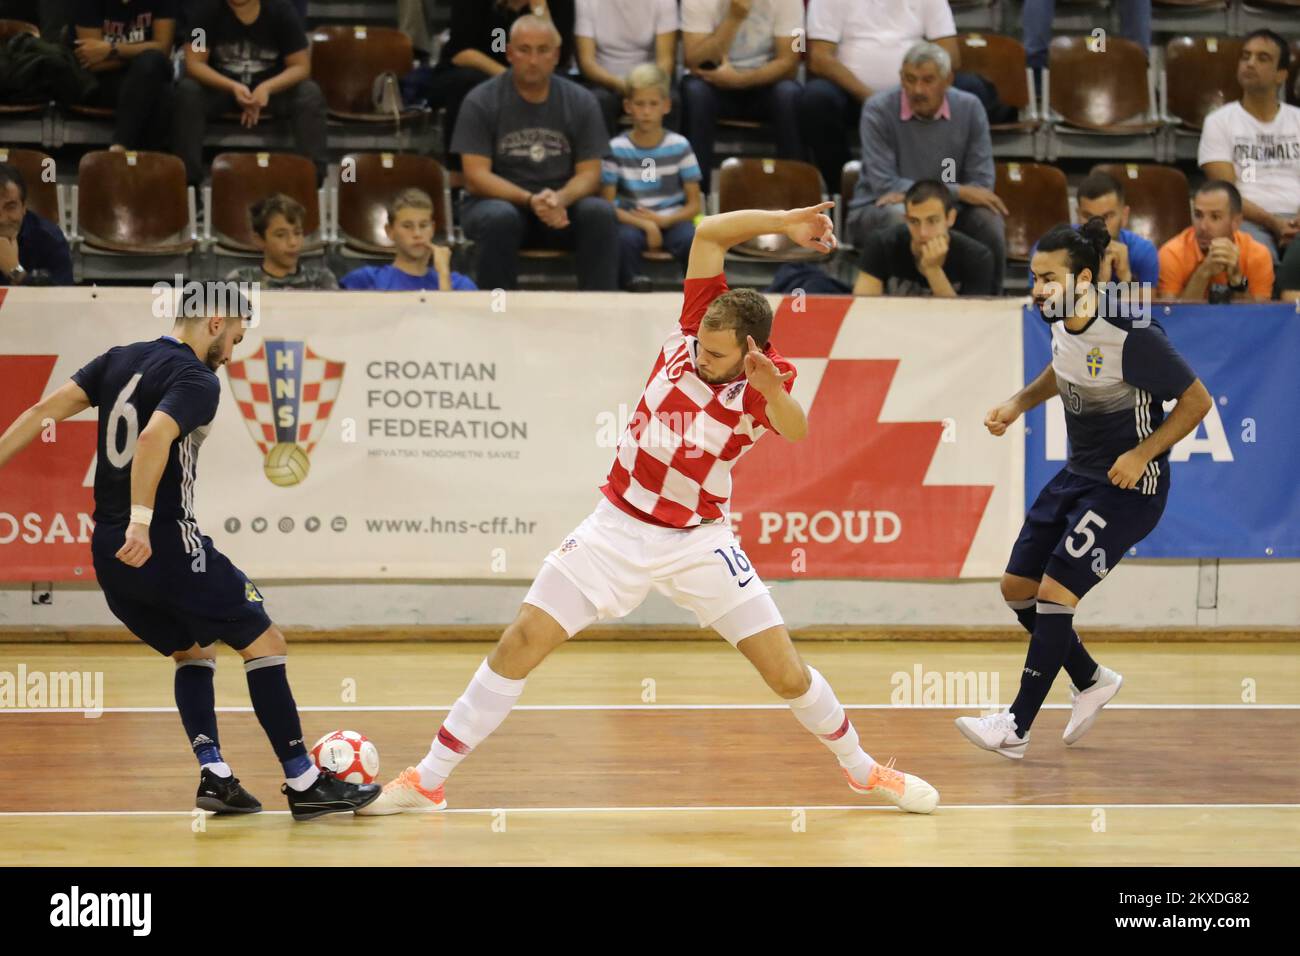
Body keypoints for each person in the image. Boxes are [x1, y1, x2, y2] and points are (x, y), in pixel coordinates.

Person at [356, 201, 939, 817]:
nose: (698, 359)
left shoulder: (766, 383)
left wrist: (771, 390)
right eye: (699, 348)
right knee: (521, 640)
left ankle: (864, 770)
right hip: (616, 529)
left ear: (751, 351)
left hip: (699, 541)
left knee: (786, 674)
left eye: (716, 356)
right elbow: (711, 232)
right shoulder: (693, 329)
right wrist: (787, 221)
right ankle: (428, 780)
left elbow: (796, 429)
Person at [0, 286, 381, 820]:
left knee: (194, 651)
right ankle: (304, 781)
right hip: (163, 540)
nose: (232, 354)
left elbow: (43, 411)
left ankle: (217, 776)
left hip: (108, 551)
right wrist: (142, 521)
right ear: (216, 321)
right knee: (265, 641)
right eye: (235, 340)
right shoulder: (197, 378)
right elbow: (155, 437)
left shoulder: (118, 358)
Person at [958, 218, 1211, 759]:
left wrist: (1142, 453)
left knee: (1054, 595)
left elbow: (1197, 402)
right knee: (1016, 588)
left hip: (1129, 488)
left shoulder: (1133, 333)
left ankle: (1016, 726)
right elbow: (1062, 366)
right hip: (1077, 473)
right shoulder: (1058, 317)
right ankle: (1091, 679)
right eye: (1034, 276)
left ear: (1086, 278)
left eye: (1049, 277)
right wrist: (1016, 403)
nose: (1037, 288)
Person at [453, 14, 618, 291]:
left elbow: (591, 174)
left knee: (599, 212)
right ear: (508, 53)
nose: (533, 60)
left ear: (556, 55)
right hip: (500, 203)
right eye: (524, 49)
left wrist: (561, 198)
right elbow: (475, 176)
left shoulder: (582, 101)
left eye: (542, 50)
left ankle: (602, 310)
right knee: (499, 218)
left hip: (561, 207)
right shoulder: (480, 100)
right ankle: (495, 317)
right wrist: (530, 200)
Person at [847, 41, 1007, 291]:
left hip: (948, 211)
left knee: (989, 222)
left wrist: (947, 202)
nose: (917, 89)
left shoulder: (970, 108)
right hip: (879, 206)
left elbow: (981, 183)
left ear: (948, 80)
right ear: (900, 78)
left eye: (927, 80)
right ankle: (899, 307)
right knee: (899, 218)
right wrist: (958, 191)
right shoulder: (877, 110)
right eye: (910, 80)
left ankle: (991, 307)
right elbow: (884, 184)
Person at [801, 0, 959, 199]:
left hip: (913, 93)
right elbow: (819, 58)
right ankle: (843, 190)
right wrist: (874, 99)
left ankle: (941, 190)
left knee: (970, 91)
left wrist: (914, 88)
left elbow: (949, 55)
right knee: (816, 99)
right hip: (851, 96)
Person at [172, 0, 327, 187]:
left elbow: (301, 66)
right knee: (188, 91)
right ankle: (189, 185)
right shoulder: (204, 12)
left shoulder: (282, 11)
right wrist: (232, 87)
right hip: (222, 89)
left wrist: (267, 87)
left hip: (270, 91)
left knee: (309, 93)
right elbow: (195, 64)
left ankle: (312, 183)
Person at [413, 0, 574, 174]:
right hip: (471, 72)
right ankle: (461, 174)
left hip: (531, 75)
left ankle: (551, 171)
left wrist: (540, 9)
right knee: (469, 82)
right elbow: (462, 54)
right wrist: (510, 78)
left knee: (561, 83)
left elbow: (560, 56)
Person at [679, 0, 804, 194]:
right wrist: (734, 17)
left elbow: (790, 63)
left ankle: (796, 198)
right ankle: (697, 199)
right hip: (714, 82)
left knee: (789, 93)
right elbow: (694, 59)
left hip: (765, 84)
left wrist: (740, 80)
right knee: (695, 92)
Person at [1198, 30, 1300, 267]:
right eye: (1245, 57)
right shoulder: (1219, 121)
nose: (1250, 63)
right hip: (1245, 219)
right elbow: (1226, 194)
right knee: (1255, 256)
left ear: (1281, 75)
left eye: (1262, 58)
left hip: (1296, 218)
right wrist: (1273, 222)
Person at [601, 64, 702, 292]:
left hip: (672, 218)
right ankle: (633, 284)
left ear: (666, 106)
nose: (646, 112)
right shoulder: (615, 148)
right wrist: (646, 224)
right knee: (623, 239)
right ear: (628, 107)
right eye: (639, 104)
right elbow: (607, 204)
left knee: (692, 239)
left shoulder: (680, 146)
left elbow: (694, 204)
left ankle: (698, 295)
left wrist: (663, 221)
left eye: (653, 104)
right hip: (632, 219)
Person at [852, 178, 994, 297]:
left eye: (932, 221)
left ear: (950, 218)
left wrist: (933, 271)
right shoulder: (881, 244)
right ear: (905, 219)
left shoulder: (977, 257)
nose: (923, 232)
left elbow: (967, 323)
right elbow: (860, 309)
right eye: (914, 222)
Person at [71, 0, 176, 152]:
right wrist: (139, 57)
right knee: (158, 86)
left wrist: (113, 50)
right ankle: (142, 168)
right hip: (100, 81)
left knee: (155, 76)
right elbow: (92, 62)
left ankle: (120, 149)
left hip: (146, 74)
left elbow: (162, 49)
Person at [1028, 172, 1160, 291]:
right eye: (1088, 217)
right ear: (1078, 214)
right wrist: (1097, 284)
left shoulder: (1142, 252)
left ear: (1124, 216)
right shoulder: (1048, 251)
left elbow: (1149, 312)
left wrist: (1126, 277)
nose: (1097, 226)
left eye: (1107, 217)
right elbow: (1039, 309)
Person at [1157, 180, 1274, 303]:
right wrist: (1203, 272)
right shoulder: (1171, 253)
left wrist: (1237, 280)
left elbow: (1258, 317)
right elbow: (1173, 317)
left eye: (1215, 217)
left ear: (1236, 222)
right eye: (1198, 215)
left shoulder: (1258, 254)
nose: (1203, 227)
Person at [574, 0, 678, 137]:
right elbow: (587, 63)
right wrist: (623, 85)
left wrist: (648, 86)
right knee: (598, 101)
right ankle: (605, 157)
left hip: (650, 79)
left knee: (672, 100)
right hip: (604, 81)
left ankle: (669, 155)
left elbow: (666, 60)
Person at [340, 188, 476, 291]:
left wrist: (444, 276)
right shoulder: (366, 280)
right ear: (390, 231)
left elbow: (453, 326)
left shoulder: (459, 284)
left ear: (433, 229)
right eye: (407, 226)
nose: (417, 234)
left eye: (423, 225)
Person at [224, 193, 338, 289]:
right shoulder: (241, 281)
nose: (293, 242)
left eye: (297, 233)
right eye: (281, 235)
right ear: (259, 240)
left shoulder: (320, 280)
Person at [0, 162, 74, 287]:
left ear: (24, 208)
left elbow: (62, 301)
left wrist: (15, 272)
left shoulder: (49, 239)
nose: (1, 219)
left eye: (10, 207)